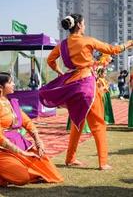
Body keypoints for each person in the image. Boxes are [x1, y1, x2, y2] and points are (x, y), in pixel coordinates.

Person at [39, 14, 133, 170]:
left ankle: (70, 158)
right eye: (83, 23)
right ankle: (103, 162)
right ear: (79, 25)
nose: (85, 26)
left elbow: (50, 60)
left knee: (77, 122)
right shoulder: (88, 40)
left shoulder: (62, 45)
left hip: (72, 86)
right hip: (87, 85)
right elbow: (113, 49)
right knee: (98, 124)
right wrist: (129, 43)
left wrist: (61, 73)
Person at [0, 72, 63, 187]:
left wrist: (38, 140)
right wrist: (22, 153)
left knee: (48, 169)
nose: (14, 84)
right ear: (0, 87)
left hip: (18, 143)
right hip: (3, 149)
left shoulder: (11, 103)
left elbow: (27, 122)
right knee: (22, 177)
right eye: (10, 82)